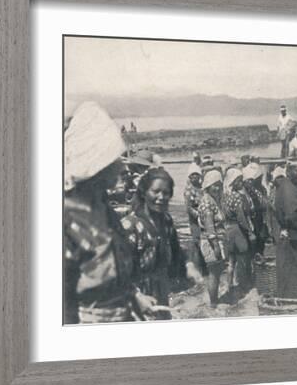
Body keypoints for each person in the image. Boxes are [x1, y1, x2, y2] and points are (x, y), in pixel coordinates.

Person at [63, 102, 158, 324]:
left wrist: (135, 297)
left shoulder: (104, 209)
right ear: (97, 166)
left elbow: (113, 267)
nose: (123, 168)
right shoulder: (68, 219)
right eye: (114, 161)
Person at [122, 168, 202, 317]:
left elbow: (176, 250)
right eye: (156, 191)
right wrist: (137, 296)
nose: (161, 197)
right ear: (143, 192)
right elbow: (118, 271)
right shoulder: (130, 226)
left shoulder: (166, 221)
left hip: (161, 291)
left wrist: (188, 265)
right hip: (135, 298)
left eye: (166, 193)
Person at [273, 162, 297, 299]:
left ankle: (290, 298)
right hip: (295, 235)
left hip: (288, 233)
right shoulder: (289, 189)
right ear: (289, 172)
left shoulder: (285, 186)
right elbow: (292, 215)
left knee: (288, 269)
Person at [223, 168, 255, 294]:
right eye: (239, 181)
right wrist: (250, 232)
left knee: (231, 261)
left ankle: (230, 285)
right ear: (234, 182)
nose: (241, 183)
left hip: (228, 229)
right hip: (237, 230)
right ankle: (243, 285)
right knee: (243, 257)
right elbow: (241, 217)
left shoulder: (225, 196)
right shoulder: (237, 197)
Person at [198, 170, 227, 306]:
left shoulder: (212, 199)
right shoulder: (207, 202)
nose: (217, 188)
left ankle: (214, 300)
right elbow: (209, 226)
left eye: (219, 185)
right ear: (208, 185)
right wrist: (215, 245)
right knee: (214, 273)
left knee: (216, 271)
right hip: (210, 241)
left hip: (215, 240)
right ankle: (214, 303)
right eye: (214, 185)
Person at [243, 163, 268, 256]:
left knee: (261, 237)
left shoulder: (261, 189)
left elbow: (264, 202)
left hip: (259, 215)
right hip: (251, 216)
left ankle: (259, 254)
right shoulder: (246, 189)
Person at [183, 164, 204, 275]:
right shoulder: (189, 190)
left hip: (204, 219)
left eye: (197, 175)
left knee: (204, 242)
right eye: (193, 175)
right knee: (197, 242)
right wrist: (199, 215)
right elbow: (189, 208)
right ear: (190, 177)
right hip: (195, 220)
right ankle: (198, 268)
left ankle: (203, 266)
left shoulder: (201, 188)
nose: (195, 177)